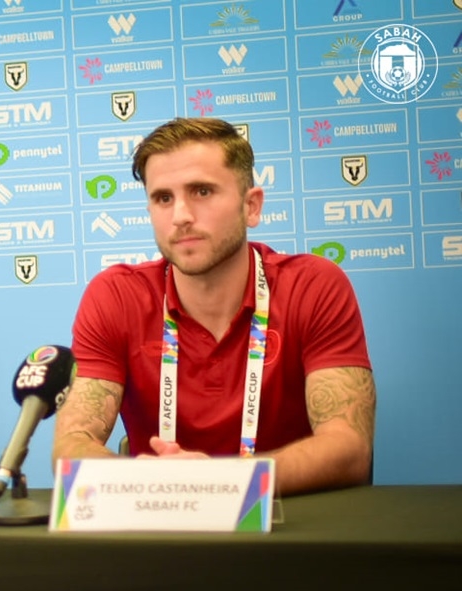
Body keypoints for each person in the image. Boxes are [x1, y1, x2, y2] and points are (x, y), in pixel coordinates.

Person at [53, 117, 375, 496]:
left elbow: (350, 447)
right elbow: (71, 447)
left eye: (202, 191)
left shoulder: (313, 285)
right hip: (162, 524)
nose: (181, 216)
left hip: (286, 532)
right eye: (163, 198)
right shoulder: (116, 296)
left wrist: (220, 484)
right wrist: (150, 483)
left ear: (251, 206)